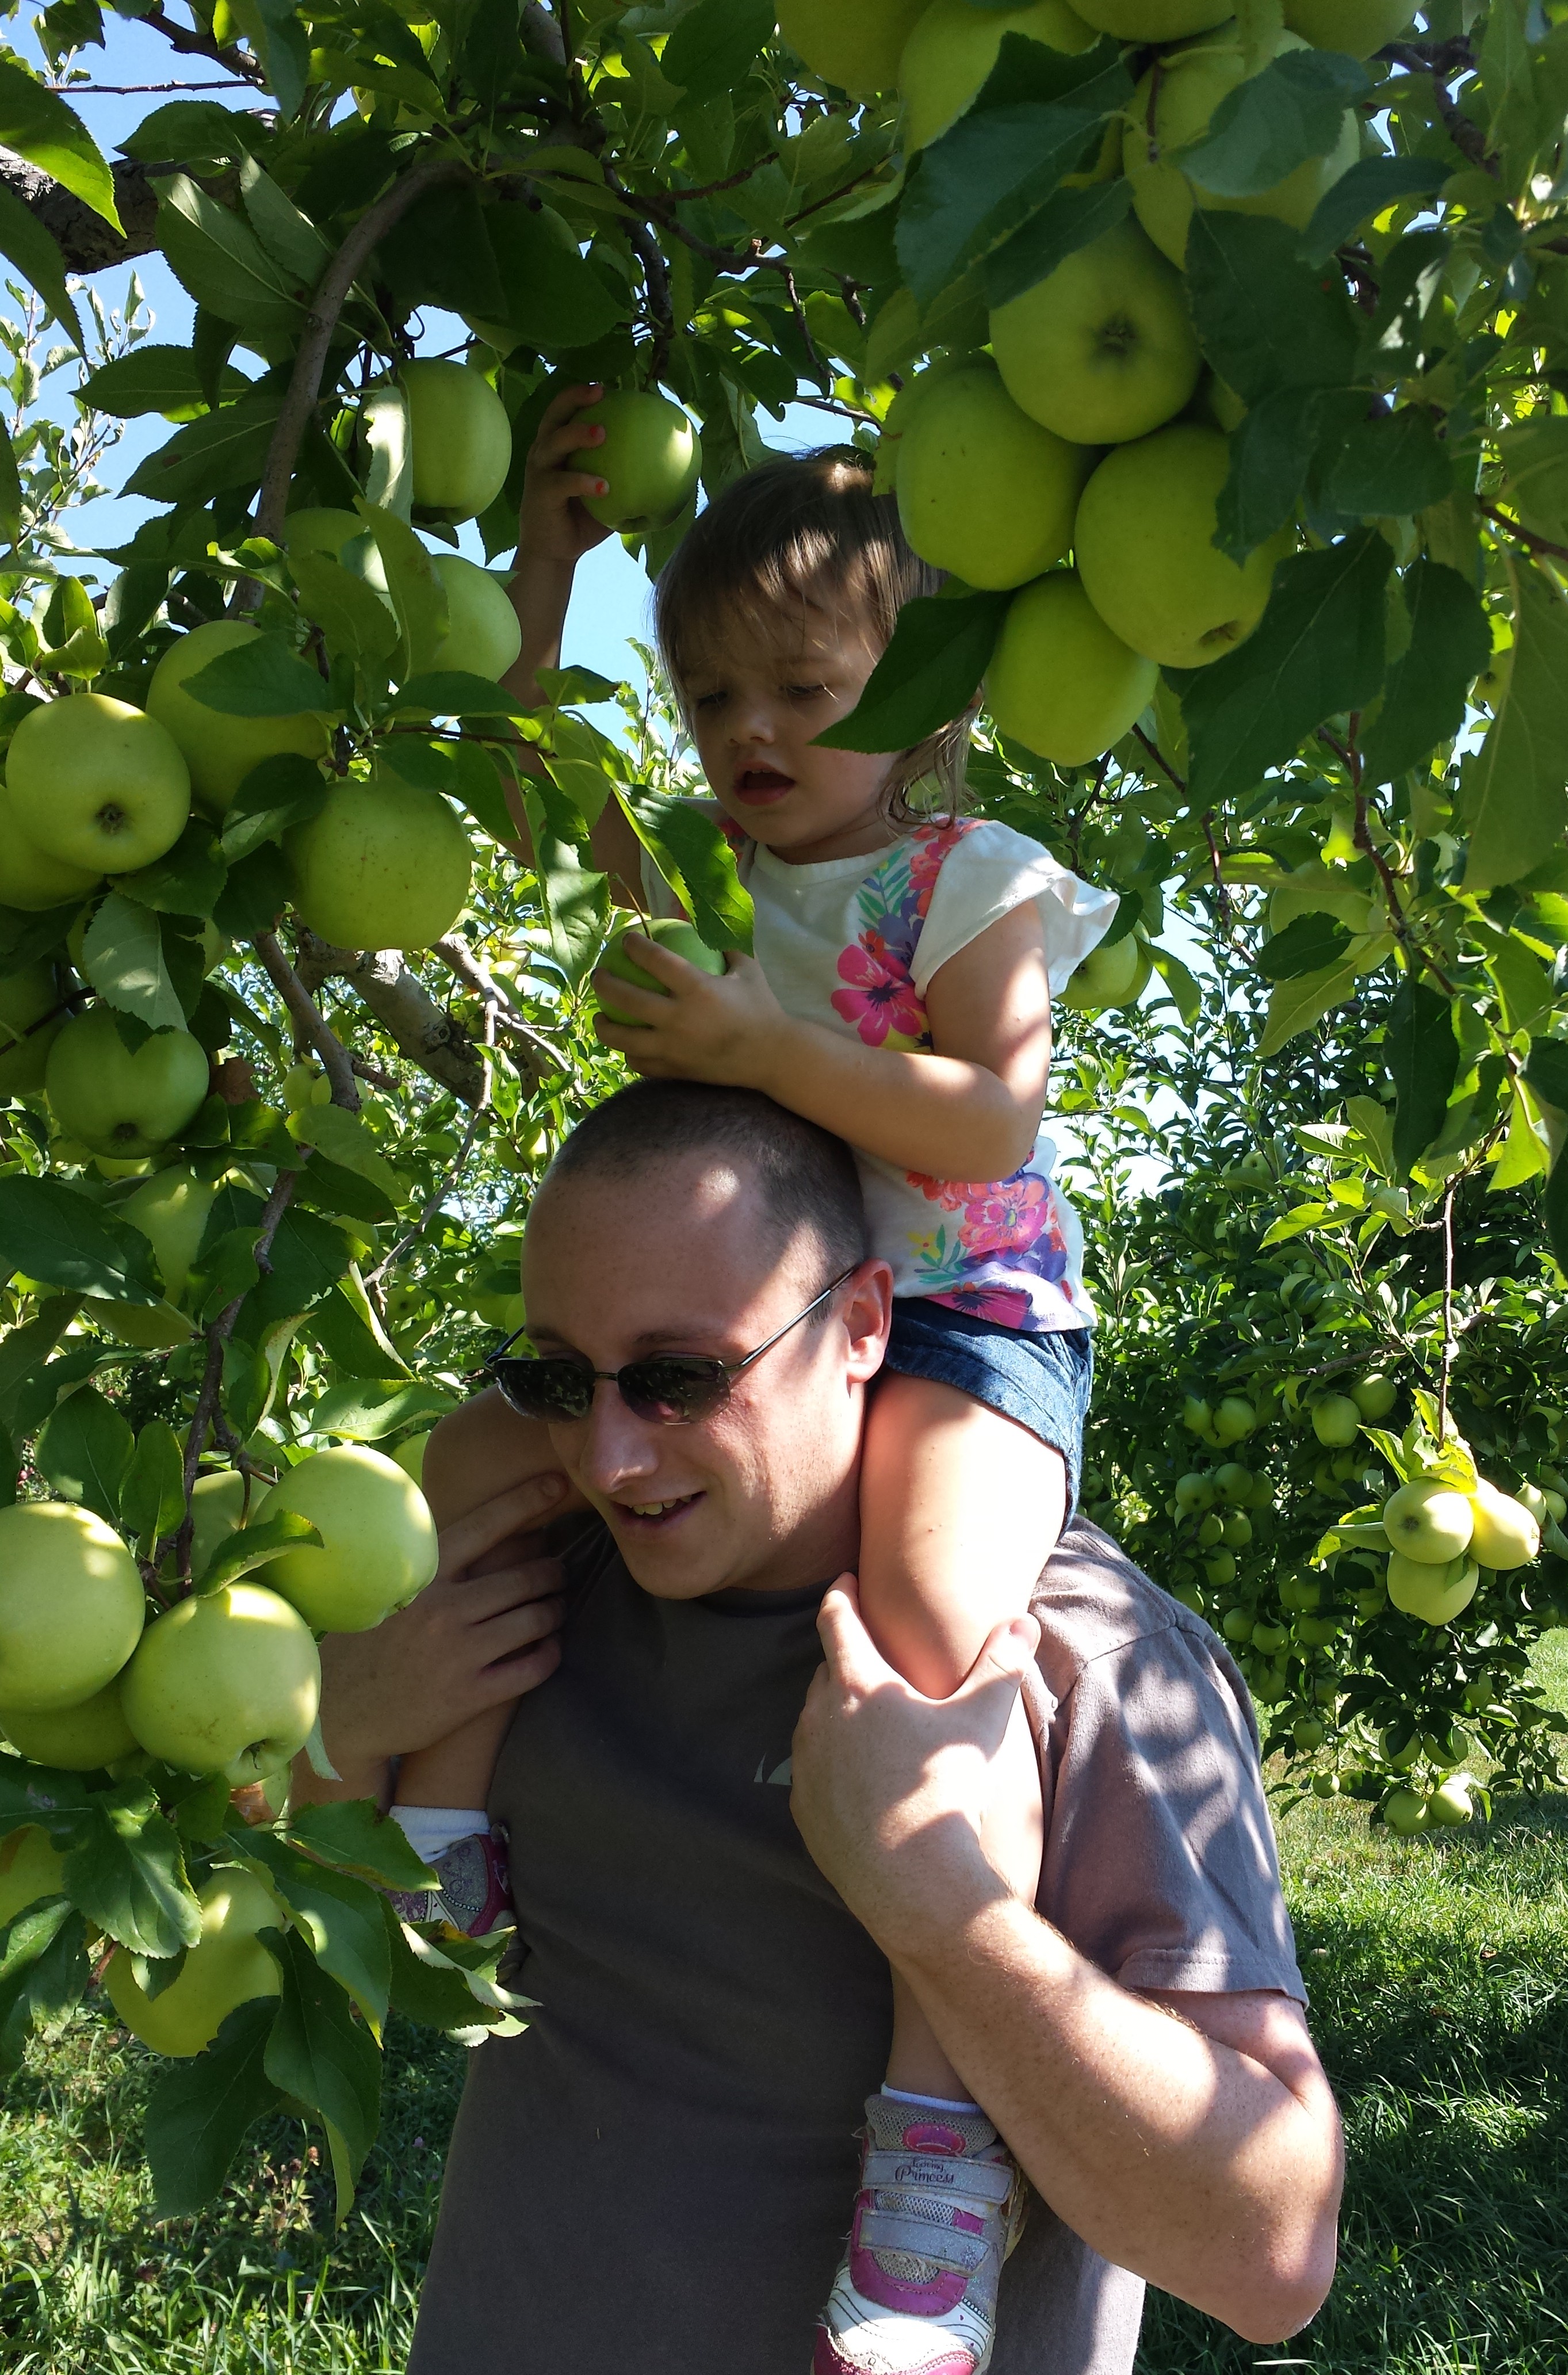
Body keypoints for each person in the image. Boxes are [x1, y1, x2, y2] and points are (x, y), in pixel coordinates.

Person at [390, 396, 1126, 2368]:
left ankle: (931, 2155)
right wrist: (537, 591)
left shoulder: (975, 878)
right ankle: (444, 1839)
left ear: (940, 691)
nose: (748, 732)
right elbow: (558, 817)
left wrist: (759, 1046)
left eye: (805, 683)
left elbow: (990, 1115)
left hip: (967, 1322)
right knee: (478, 1457)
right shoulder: (740, 900)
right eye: (712, 693)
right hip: (774, 1330)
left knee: (930, 1636)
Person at [293, 1081, 1343, 2375]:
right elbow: (342, 1936)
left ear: (858, 1325)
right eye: (559, 1380)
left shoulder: (1082, 1663)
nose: (610, 1455)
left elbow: (1270, 2257)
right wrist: (341, 1724)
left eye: (679, 1377)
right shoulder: (531, 1590)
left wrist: (949, 1918)